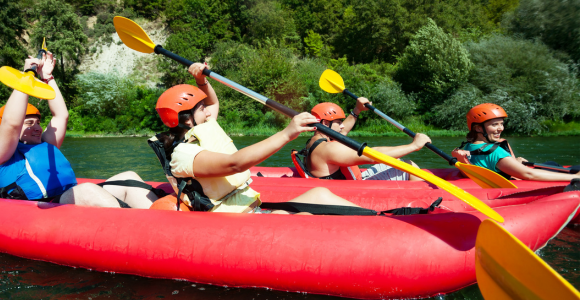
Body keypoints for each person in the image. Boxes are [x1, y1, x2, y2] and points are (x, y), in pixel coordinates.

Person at [147, 63, 368, 214]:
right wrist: (287, 133)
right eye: (201, 108)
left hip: (252, 209)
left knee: (319, 193)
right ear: (187, 120)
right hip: (234, 222)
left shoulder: (204, 128)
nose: (208, 112)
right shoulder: (183, 154)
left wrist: (201, 81)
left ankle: (376, 219)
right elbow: (235, 164)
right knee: (297, 216)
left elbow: (213, 105)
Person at [0, 54, 159, 208]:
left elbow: (61, 115)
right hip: (42, 206)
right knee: (87, 191)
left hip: (67, 199)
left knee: (129, 178)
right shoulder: (0, 156)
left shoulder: (47, 144)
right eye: (29, 123)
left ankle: (164, 220)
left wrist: (48, 77)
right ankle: (139, 230)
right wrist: (27, 74)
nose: (37, 127)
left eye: (38, 122)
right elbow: (11, 124)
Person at [293, 100, 431, 181]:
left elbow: (342, 132)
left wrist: (357, 110)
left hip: (353, 182)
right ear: (324, 123)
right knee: (410, 167)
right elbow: (372, 156)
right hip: (357, 189)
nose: (342, 126)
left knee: (404, 163)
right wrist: (414, 146)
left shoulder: (314, 141)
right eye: (338, 122)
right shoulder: (329, 149)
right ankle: (422, 207)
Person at [451, 103, 579, 181]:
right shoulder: (495, 152)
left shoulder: (468, 146)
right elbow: (529, 174)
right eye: (494, 124)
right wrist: (576, 178)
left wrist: (513, 162)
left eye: (501, 124)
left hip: (503, 169)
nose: (500, 128)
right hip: (519, 178)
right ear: (478, 128)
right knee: (555, 165)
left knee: (550, 164)